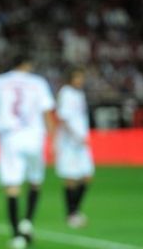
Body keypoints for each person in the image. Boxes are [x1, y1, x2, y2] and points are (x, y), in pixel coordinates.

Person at [0, 54, 55, 249]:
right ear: (26, 63)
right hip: (34, 136)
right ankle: (28, 222)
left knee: (12, 186)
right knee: (35, 181)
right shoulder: (38, 82)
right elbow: (47, 111)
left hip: (10, 138)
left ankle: (16, 235)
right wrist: (53, 140)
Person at [54, 66, 94, 228]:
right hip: (68, 142)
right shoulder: (66, 93)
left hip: (81, 141)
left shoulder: (79, 94)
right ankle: (71, 214)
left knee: (87, 175)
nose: (80, 80)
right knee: (70, 178)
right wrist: (75, 135)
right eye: (78, 77)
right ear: (71, 78)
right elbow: (63, 118)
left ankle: (75, 211)